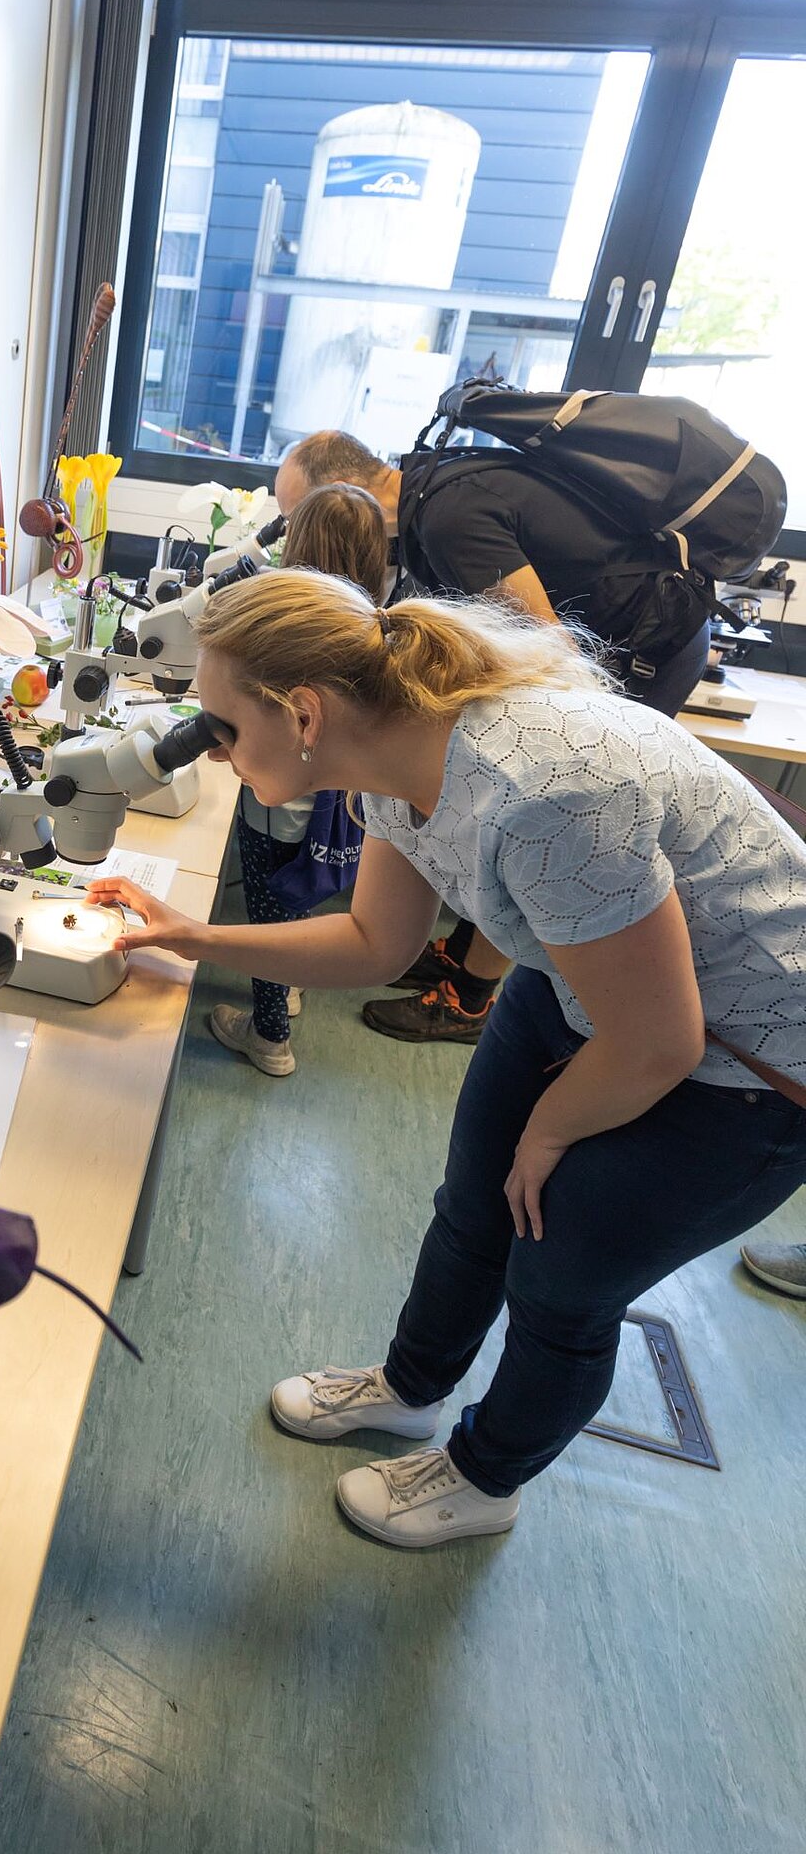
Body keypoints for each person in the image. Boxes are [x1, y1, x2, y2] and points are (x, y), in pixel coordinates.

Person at [88, 568, 806, 1551]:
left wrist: (546, 1132)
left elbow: (657, 1041)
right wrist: (191, 938)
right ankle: (410, 1389)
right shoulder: (391, 748)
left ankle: (485, 1477)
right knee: (470, 1204)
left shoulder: (540, 789)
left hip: (752, 1061)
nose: (213, 754)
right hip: (583, 985)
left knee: (561, 1273)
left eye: (220, 729)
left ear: (301, 711)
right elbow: (374, 943)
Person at [279, 426, 714, 1046]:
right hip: (612, 639)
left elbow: (554, 661)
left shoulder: (451, 519)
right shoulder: (433, 497)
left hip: (643, 652)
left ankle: (472, 997)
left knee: (529, 803)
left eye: (293, 517)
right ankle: (461, 953)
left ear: (343, 496)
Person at [209, 483, 388, 1077]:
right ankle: (288, 987)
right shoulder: (366, 622)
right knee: (301, 894)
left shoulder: (287, 626)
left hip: (278, 808)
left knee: (267, 921)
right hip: (336, 810)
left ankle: (270, 1038)